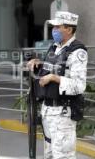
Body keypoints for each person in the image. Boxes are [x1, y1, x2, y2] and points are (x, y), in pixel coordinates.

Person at [27, 11, 88, 159]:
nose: (53, 30)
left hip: (62, 113)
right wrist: (38, 63)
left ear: (68, 29)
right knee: (49, 154)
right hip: (48, 111)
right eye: (53, 27)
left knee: (62, 156)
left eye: (57, 27)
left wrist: (54, 78)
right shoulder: (55, 47)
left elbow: (79, 85)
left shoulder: (77, 52)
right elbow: (53, 67)